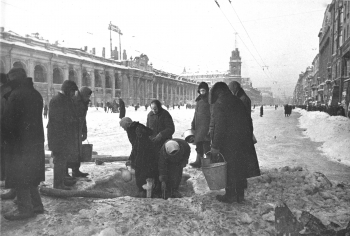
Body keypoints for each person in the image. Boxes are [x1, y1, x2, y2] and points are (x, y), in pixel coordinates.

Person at [1, 68, 45, 220]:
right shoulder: (35, 93)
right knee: (31, 175)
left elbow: (9, 121)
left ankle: (24, 209)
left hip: (19, 143)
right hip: (34, 142)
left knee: (20, 177)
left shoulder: (16, 95)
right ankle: (37, 205)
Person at [209, 82, 260, 204]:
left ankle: (230, 195)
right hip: (242, 141)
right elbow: (249, 120)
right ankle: (240, 195)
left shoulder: (219, 104)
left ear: (217, 92)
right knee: (240, 168)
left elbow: (220, 126)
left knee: (230, 169)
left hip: (228, 143)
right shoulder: (237, 101)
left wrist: (215, 146)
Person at [47, 80, 80, 190]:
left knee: (63, 159)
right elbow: (57, 121)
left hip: (64, 136)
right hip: (58, 136)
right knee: (59, 160)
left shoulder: (65, 100)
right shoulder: (57, 100)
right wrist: (71, 121)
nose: (73, 94)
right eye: (72, 91)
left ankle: (62, 181)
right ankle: (58, 184)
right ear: (67, 90)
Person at [119, 117, 158, 197]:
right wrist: (131, 158)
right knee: (143, 172)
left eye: (123, 127)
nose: (124, 129)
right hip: (144, 153)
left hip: (146, 154)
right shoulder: (133, 128)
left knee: (142, 172)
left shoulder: (136, 129)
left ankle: (145, 192)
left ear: (126, 124)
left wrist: (134, 159)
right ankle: (145, 191)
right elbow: (135, 146)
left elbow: (139, 146)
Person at [67, 87, 92, 178]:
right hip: (71, 131)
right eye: (87, 96)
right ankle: (66, 173)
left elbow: (83, 119)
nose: (88, 97)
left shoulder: (84, 103)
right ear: (82, 95)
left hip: (78, 130)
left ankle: (76, 171)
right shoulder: (73, 101)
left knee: (78, 152)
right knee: (70, 152)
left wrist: (84, 131)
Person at [0, 73, 17, 200]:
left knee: (10, 160)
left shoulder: (5, 94)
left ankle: (13, 189)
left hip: (6, 132)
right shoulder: (10, 92)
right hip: (8, 132)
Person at [189, 82, 211, 168]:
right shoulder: (198, 100)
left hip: (206, 126)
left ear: (207, 90)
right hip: (198, 126)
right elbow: (196, 113)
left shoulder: (209, 100)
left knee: (206, 146)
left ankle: (210, 163)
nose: (202, 92)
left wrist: (210, 127)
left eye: (204, 90)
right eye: (201, 90)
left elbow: (212, 114)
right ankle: (198, 161)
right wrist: (193, 124)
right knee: (198, 145)